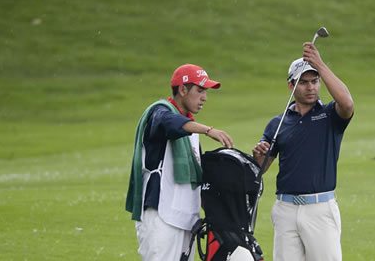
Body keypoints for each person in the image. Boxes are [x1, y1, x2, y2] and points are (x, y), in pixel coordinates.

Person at [252, 42, 355, 261]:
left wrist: (319, 63)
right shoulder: (277, 124)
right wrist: (259, 157)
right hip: (285, 209)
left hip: (320, 209)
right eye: (303, 82)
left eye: (314, 81)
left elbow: (347, 103)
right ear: (291, 86)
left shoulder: (329, 116)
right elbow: (262, 168)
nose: (310, 87)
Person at [125, 63, 234, 261]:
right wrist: (209, 130)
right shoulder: (159, 112)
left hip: (185, 218)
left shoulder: (190, 127)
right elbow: (170, 123)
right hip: (160, 216)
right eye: (200, 90)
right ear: (182, 90)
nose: (204, 97)